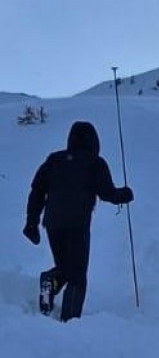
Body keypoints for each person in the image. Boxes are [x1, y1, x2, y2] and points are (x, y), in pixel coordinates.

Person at [23, 121, 134, 321]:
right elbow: (107, 193)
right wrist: (124, 194)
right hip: (77, 224)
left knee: (66, 267)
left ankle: (50, 280)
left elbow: (37, 191)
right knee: (77, 275)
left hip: (53, 223)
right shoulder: (94, 162)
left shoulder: (54, 160)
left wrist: (31, 222)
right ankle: (70, 321)